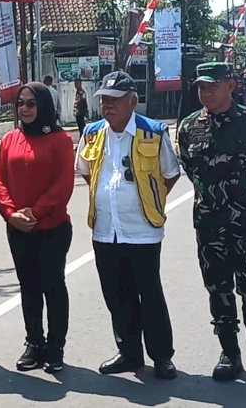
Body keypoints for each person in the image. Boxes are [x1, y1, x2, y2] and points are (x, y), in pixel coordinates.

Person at [178, 62, 246, 387]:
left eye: (213, 86)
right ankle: (229, 354)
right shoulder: (188, 127)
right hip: (208, 224)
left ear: (231, 85)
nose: (206, 93)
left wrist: (245, 199)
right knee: (218, 290)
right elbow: (193, 170)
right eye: (201, 87)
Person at [77, 71, 180, 380]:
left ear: (132, 101)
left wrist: (147, 199)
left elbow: (170, 174)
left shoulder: (153, 132)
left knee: (149, 294)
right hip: (105, 229)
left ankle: (162, 356)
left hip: (142, 230)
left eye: (115, 100)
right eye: (104, 100)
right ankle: (129, 353)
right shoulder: (93, 132)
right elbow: (84, 169)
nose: (108, 106)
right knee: (116, 294)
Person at [0, 82, 74, 373]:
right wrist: (10, 213)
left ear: (44, 107)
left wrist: (36, 212)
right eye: (21, 104)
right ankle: (34, 343)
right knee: (28, 287)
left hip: (51, 227)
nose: (25, 109)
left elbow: (63, 185)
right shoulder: (9, 139)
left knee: (52, 286)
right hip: (17, 228)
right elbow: (0, 181)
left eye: (31, 104)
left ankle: (55, 347)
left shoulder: (60, 140)